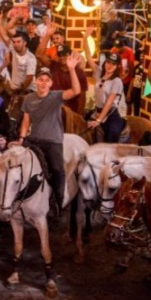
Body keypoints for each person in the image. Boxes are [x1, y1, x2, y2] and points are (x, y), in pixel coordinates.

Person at [11, 55, 82, 217]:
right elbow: (26, 121)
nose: (43, 83)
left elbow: (76, 91)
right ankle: (10, 200)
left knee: (57, 170)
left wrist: (72, 69)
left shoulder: (56, 96)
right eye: (40, 80)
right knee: (14, 162)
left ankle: (58, 203)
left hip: (52, 141)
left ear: (51, 83)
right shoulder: (28, 98)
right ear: (36, 81)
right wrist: (21, 139)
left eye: (46, 80)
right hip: (33, 139)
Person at [85, 51, 127, 143]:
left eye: (113, 64)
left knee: (113, 132)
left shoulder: (117, 81)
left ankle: (111, 156)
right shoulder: (99, 73)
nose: (110, 66)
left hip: (111, 114)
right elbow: (88, 57)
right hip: (97, 110)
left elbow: (109, 102)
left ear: (117, 67)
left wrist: (99, 120)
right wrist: (85, 38)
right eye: (108, 62)